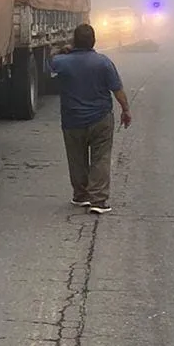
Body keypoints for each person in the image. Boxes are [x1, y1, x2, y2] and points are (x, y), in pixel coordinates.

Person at [50, 22, 132, 215]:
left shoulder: (62, 62)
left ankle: (81, 195)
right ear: (94, 41)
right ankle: (98, 200)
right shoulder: (103, 62)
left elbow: (49, 64)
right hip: (100, 118)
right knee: (101, 157)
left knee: (76, 158)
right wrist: (126, 110)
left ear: (74, 41)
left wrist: (63, 50)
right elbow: (117, 90)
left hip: (72, 120)